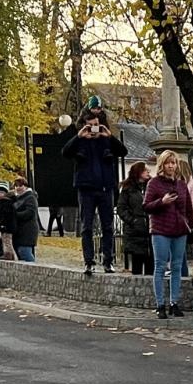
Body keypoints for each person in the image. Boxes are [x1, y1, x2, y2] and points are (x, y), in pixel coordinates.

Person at [62, 108, 127, 275]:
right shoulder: (80, 141)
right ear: (85, 126)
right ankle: (89, 262)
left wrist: (109, 136)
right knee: (87, 227)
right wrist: (79, 137)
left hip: (105, 188)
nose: (93, 129)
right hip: (86, 190)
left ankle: (108, 261)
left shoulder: (106, 140)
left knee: (108, 227)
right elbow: (65, 152)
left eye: (96, 125)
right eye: (90, 126)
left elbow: (123, 152)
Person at [144, 150, 193, 319]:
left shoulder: (181, 184)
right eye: (168, 163)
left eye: (173, 163)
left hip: (179, 229)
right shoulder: (154, 183)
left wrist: (191, 228)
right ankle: (160, 304)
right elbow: (146, 206)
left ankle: (174, 302)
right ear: (162, 165)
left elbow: (188, 208)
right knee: (160, 266)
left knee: (177, 266)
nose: (171, 166)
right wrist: (162, 201)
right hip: (160, 229)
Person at [117, 162, 153, 277]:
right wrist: (133, 221)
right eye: (145, 170)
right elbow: (121, 208)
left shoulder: (151, 186)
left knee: (151, 264)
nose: (148, 172)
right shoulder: (128, 189)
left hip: (150, 229)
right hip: (135, 231)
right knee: (137, 263)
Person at [7, 178, 40, 261]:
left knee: (24, 253)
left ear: (26, 186)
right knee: (21, 255)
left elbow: (30, 213)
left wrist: (14, 215)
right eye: (16, 186)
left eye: (20, 185)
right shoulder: (16, 198)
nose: (18, 188)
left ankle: (33, 268)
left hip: (27, 231)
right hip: (18, 232)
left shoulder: (30, 197)